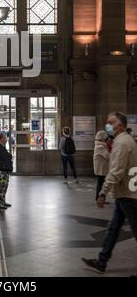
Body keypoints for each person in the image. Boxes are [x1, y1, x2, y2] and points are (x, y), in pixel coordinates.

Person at [82, 112, 137, 274]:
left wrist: (103, 192)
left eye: (111, 122)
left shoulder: (122, 143)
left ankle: (102, 261)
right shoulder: (127, 140)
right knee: (113, 229)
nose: (108, 125)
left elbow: (116, 172)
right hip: (125, 193)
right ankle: (102, 261)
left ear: (119, 125)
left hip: (129, 195)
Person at [0, 133, 13, 210]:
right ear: (1, 139)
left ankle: (2, 201)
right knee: (1, 187)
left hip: (4, 170)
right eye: (4, 138)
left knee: (5, 186)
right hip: (0, 171)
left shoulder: (2, 147)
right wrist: (3, 166)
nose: (6, 139)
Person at [93, 130, 110, 201]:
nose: (106, 139)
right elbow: (108, 156)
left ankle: (99, 198)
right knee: (101, 184)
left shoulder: (99, 145)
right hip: (101, 169)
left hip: (101, 168)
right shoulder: (100, 147)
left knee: (101, 183)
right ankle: (99, 198)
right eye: (105, 138)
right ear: (102, 138)